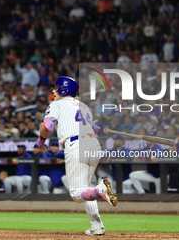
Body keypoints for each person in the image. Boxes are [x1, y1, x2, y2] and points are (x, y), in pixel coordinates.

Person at [35, 76, 117, 236]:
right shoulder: (84, 106)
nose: (53, 90)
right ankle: (97, 226)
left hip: (76, 145)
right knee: (85, 189)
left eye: (56, 87)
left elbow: (47, 126)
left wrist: (41, 139)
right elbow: (92, 126)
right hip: (93, 145)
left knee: (76, 194)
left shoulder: (57, 104)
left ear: (64, 89)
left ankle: (100, 190)